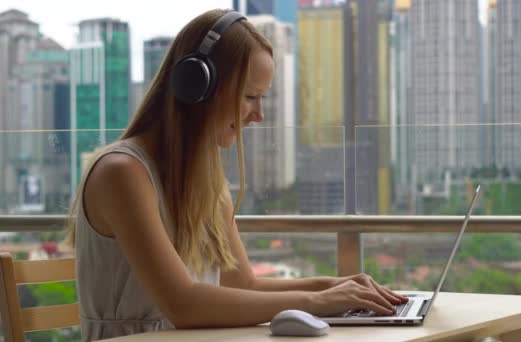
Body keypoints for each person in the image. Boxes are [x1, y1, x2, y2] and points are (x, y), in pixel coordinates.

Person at [65, 8, 407, 341]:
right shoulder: (122, 174)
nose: (258, 115)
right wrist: (316, 303)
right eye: (250, 97)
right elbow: (183, 304)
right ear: (196, 85)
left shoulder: (207, 183)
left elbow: (243, 286)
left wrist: (334, 287)